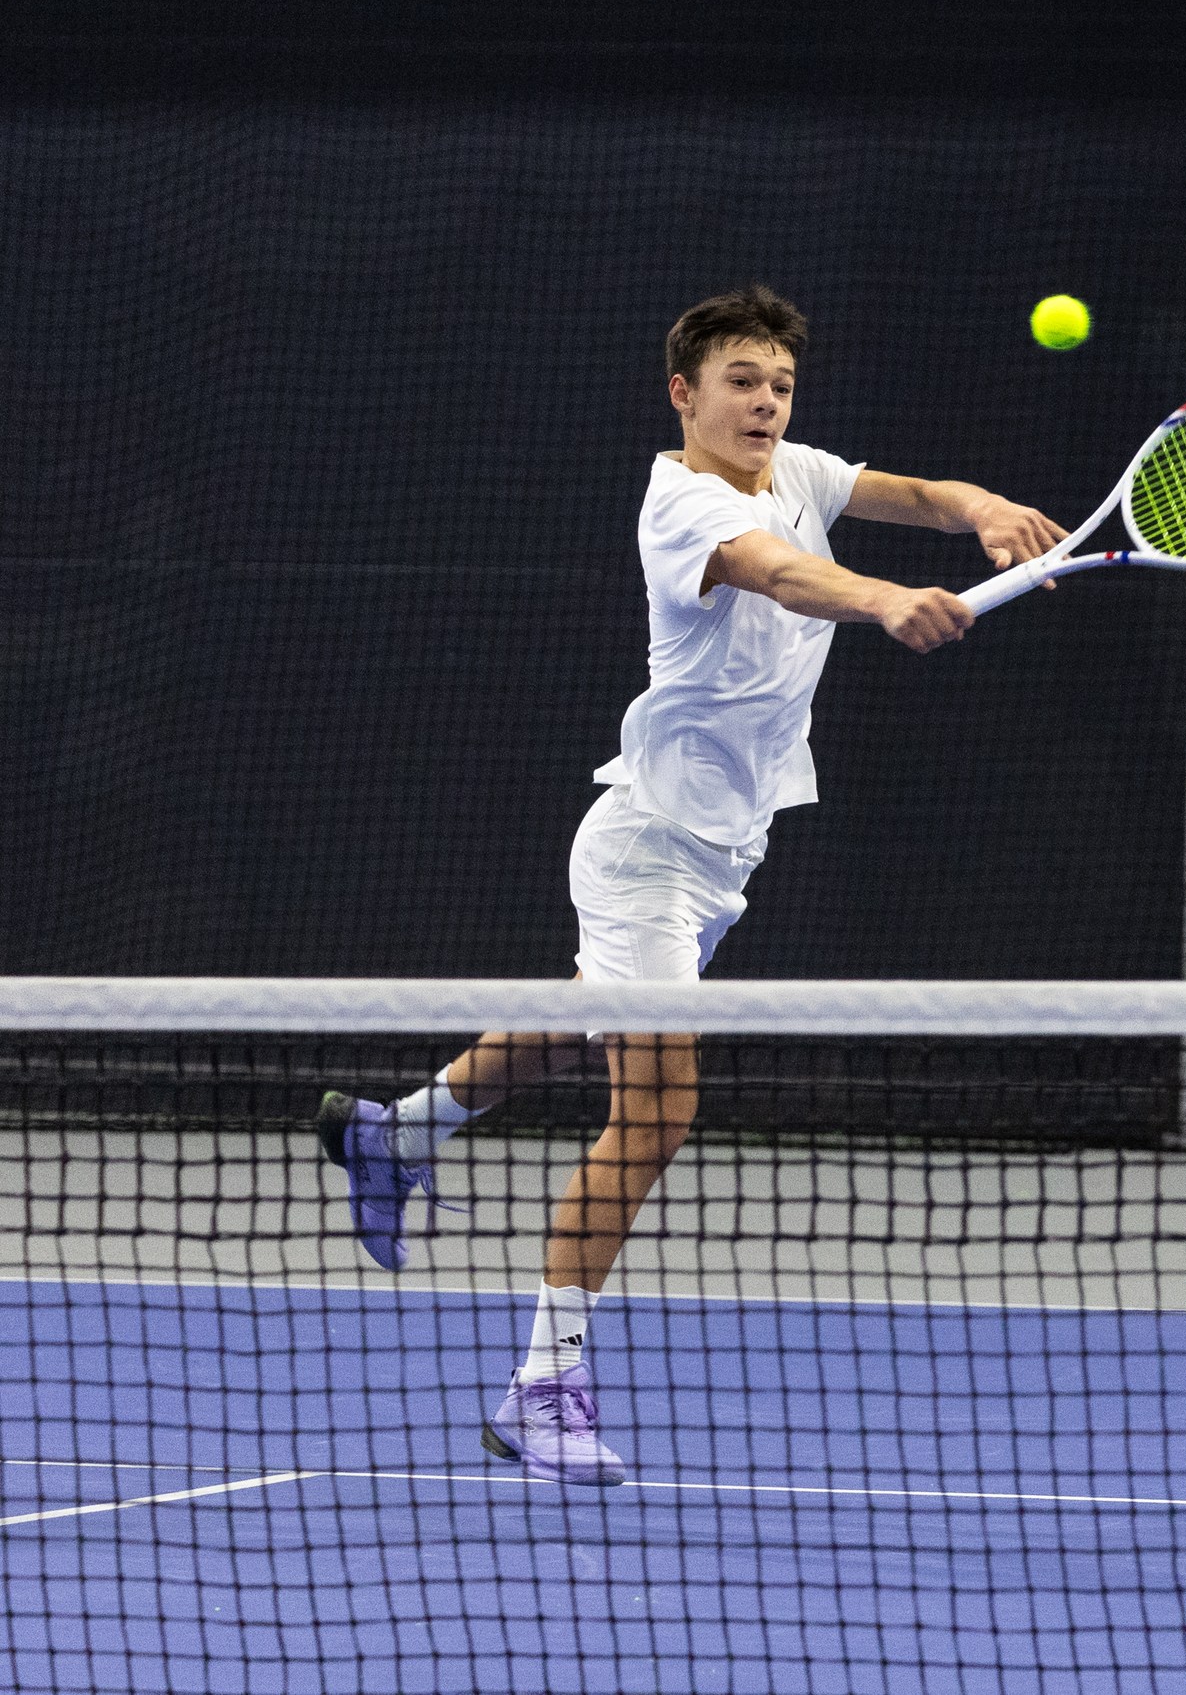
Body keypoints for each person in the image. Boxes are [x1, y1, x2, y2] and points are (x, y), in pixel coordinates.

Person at [314, 286, 1065, 1484]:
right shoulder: (683, 506)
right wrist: (884, 600)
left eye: (780, 385)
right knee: (657, 1111)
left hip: (725, 853)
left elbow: (914, 496)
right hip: (648, 851)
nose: (766, 403)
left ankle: (393, 1131)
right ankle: (542, 1389)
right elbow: (779, 574)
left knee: (574, 1024)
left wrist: (981, 510)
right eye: (741, 382)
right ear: (685, 393)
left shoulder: (796, 470)